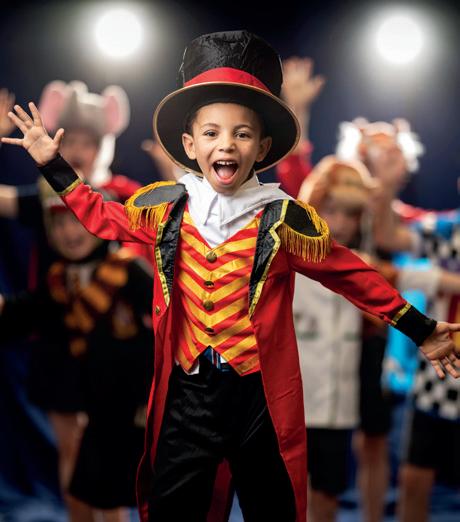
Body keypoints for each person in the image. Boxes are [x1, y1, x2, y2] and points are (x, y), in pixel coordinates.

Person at [2, 30, 459, 522]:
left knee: (272, 508)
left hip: (257, 398)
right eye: (212, 133)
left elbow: (353, 275)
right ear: (189, 144)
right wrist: (51, 162)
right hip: (189, 393)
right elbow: (98, 215)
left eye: (242, 134)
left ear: (262, 147)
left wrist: (422, 329)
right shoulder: (164, 208)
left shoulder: (283, 221)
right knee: (175, 509)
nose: (226, 144)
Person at [0, 178, 154, 522]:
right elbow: (26, 313)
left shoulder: (128, 271)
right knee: (84, 474)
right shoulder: (59, 279)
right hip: (84, 390)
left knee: (119, 479)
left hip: (126, 398)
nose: (69, 232)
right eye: (59, 223)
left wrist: (150, 392)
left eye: (77, 221)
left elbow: (163, 329)